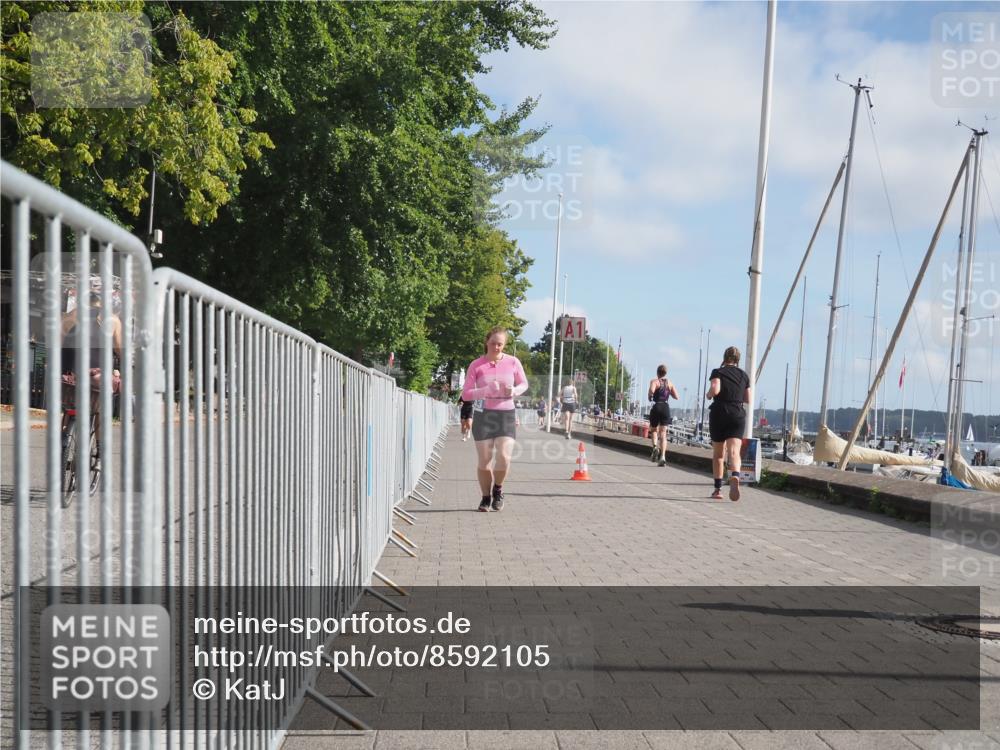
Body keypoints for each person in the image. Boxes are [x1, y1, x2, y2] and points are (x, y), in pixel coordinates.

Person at [460, 326, 528, 512]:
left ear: (504, 345)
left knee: (504, 457)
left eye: (500, 344)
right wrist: (485, 391)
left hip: (506, 413)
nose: (496, 347)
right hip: (483, 415)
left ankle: (498, 490)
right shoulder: (476, 365)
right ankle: (485, 497)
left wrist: (513, 390)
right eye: (493, 343)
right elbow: (466, 394)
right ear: (486, 342)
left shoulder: (513, 362)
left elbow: (524, 384)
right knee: (485, 460)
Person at [706, 346, 750, 501]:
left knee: (719, 454)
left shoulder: (718, 372)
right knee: (734, 452)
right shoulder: (744, 375)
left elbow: (715, 389)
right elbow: (748, 399)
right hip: (737, 414)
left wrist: (708, 394)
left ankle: (718, 490)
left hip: (719, 413)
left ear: (725, 357)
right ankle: (735, 476)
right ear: (738, 360)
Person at [648, 364, 679, 467]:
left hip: (656, 406)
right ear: (665, 373)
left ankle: (655, 447)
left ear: (657, 373)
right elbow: (676, 396)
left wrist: (650, 395)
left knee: (653, 430)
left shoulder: (654, 381)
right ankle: (663, 457)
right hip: (665, 407)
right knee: (663, 433)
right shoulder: (669, 383)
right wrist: (669, 392)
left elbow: (651, 391)